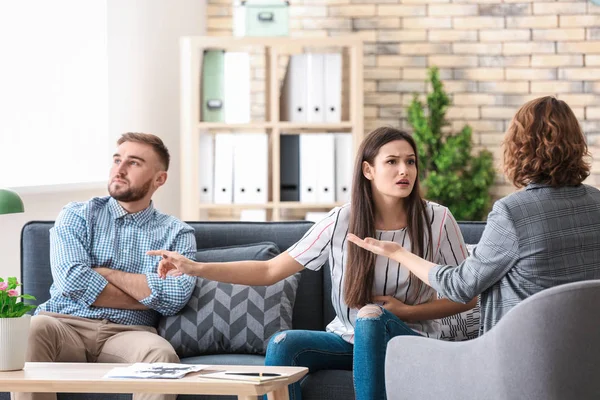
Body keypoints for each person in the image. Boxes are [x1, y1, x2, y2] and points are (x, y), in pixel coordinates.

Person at [148, 127, 476, 400]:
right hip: (346, 340)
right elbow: (269, 271)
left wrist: (405, 313)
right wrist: (195, 267)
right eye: (392, 161)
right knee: (284, 343)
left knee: (372, 318)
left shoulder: (437, 219)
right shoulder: (341, 220)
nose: (404, 170)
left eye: (410, 162)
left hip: (409, 341)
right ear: (368, 170)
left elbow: (468, 295)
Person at [348, 96, 600, 336]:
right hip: (586, 360)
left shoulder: (513, 212)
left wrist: (398, 253)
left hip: (520, 360)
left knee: (391, 336)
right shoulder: (597, 202)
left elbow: (460, 287)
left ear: (519, 147)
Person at [14, 133, 196, 400]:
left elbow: (175, 297)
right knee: (32, 328)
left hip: (129, 334)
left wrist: (105, 273)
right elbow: (70, 280)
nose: (119, 170)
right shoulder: (77, 214)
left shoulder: (177, 234)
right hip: (64, 325)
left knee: (162, 355)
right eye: (116, 160)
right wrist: (145, 293)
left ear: (160, 179)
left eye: (133, 163)